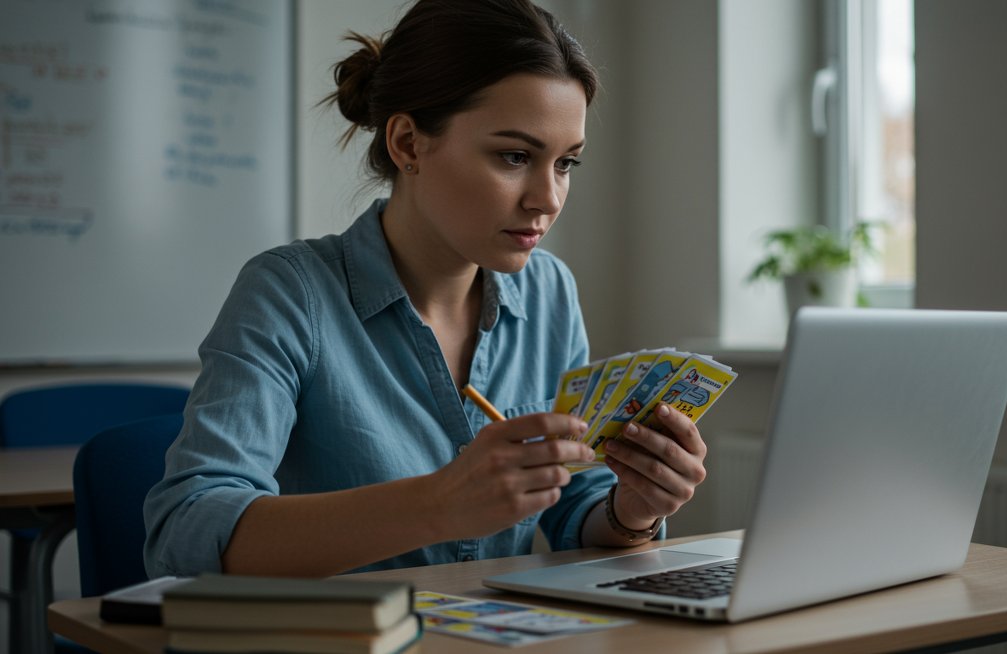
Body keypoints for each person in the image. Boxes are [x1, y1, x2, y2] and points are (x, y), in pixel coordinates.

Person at [143, 0, 709, 579]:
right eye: (515, 156)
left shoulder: (549, 292)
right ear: (408, 143)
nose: (549, 198)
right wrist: (438, 506)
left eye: (566, 164)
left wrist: (630, 513)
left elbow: (574, 507)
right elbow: (186, 532)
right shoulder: (290, 293)